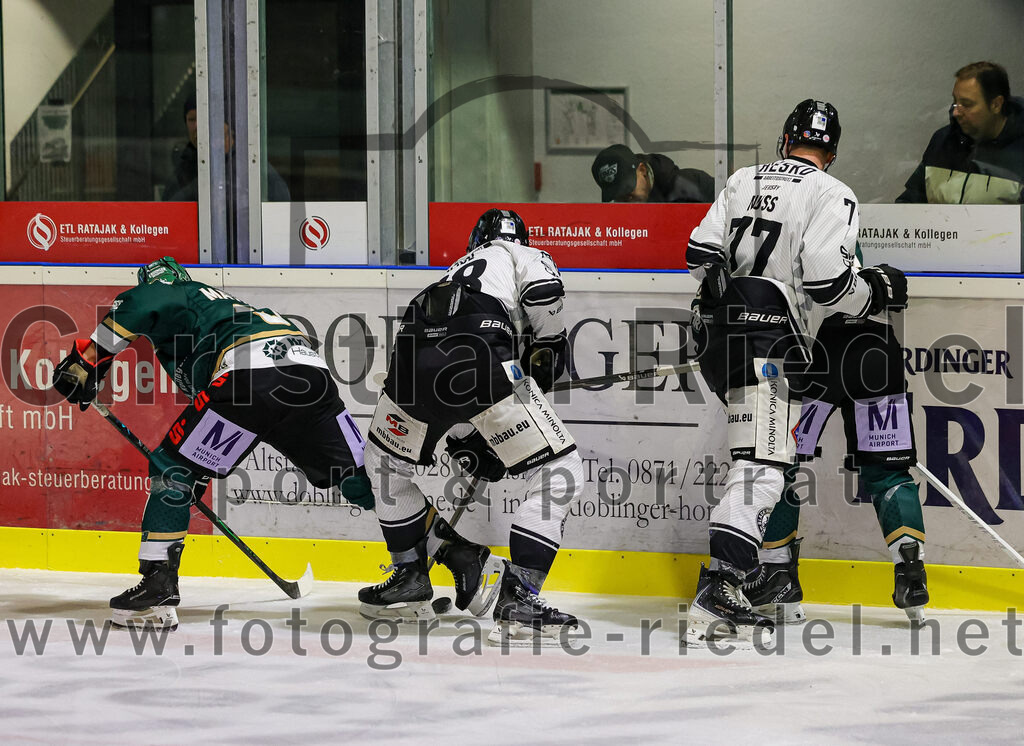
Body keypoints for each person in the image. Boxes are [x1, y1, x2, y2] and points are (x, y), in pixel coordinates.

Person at [684, 99, 909, 646]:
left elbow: (697, 254)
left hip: (719, 338)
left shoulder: (743, 178)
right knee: (764, 465)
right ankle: (719, 587)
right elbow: (827, 284)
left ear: (785, 140)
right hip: (772, 339)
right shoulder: (832, 191)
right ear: (831, 153)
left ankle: (733, 581)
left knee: (757, 458)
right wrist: (875, 291)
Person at [51, 257, 374, 630]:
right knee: (356, 476)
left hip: (251, 374)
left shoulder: (176, 292)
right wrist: (199, 471)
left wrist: (88, 358)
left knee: (173, 469)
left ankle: (157, 589)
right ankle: (418, 562)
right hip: (310, 376)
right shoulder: (217, 314)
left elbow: (145, 302)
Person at [359, 208, 584, 646]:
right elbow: (543, 298)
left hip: (411, 355)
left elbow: (447, 378)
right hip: (479, 351)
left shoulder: (454, 270)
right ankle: (519, 598)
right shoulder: (522, 253)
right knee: (561, 471)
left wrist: (473, 436)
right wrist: (549, 348)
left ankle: (408, 576)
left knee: (384, 465)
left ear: (472, 244)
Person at [743, 274, 928, 626]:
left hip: (817, 354)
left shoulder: (805, 237)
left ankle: (778, 577)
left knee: (780, 464)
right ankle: (912, 574)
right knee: (889, 471)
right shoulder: (852, 244)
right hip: (877, 350)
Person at [897, 61, 1024, 204]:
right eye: (955, 102)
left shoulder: (1019, 152)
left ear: (996, 104)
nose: (956, 112)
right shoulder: (943, 141)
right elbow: (911, 202)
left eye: (967, 104)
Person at [162, 92, 290, 202]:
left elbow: (279, 205)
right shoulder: (183, 168)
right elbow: (169, 210)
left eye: (204, 118)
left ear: (227, 126)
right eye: (191, 119)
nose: (197, 126)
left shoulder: (252, 164)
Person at [591, 144, 714, 203]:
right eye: (618, 195)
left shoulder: (695, 186)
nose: (627, 198)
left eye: (627, 188)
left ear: (642, 170)